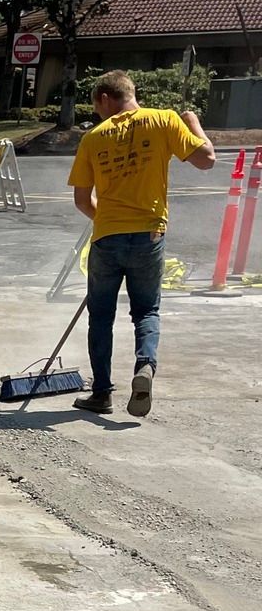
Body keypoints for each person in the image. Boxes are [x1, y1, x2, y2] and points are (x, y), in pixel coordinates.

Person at [68, 70, 216, 418]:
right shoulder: (164, 121)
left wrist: (108, 223)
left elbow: (81, 200)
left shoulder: (93, 138)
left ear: (106, 99)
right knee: (146, 311)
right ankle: (145, 366)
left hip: (107, 236)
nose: (98, 114)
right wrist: (193, 123)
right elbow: (207, 159)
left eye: (97, 107)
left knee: (101, 316)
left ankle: (101, 393)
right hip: (150, 234)